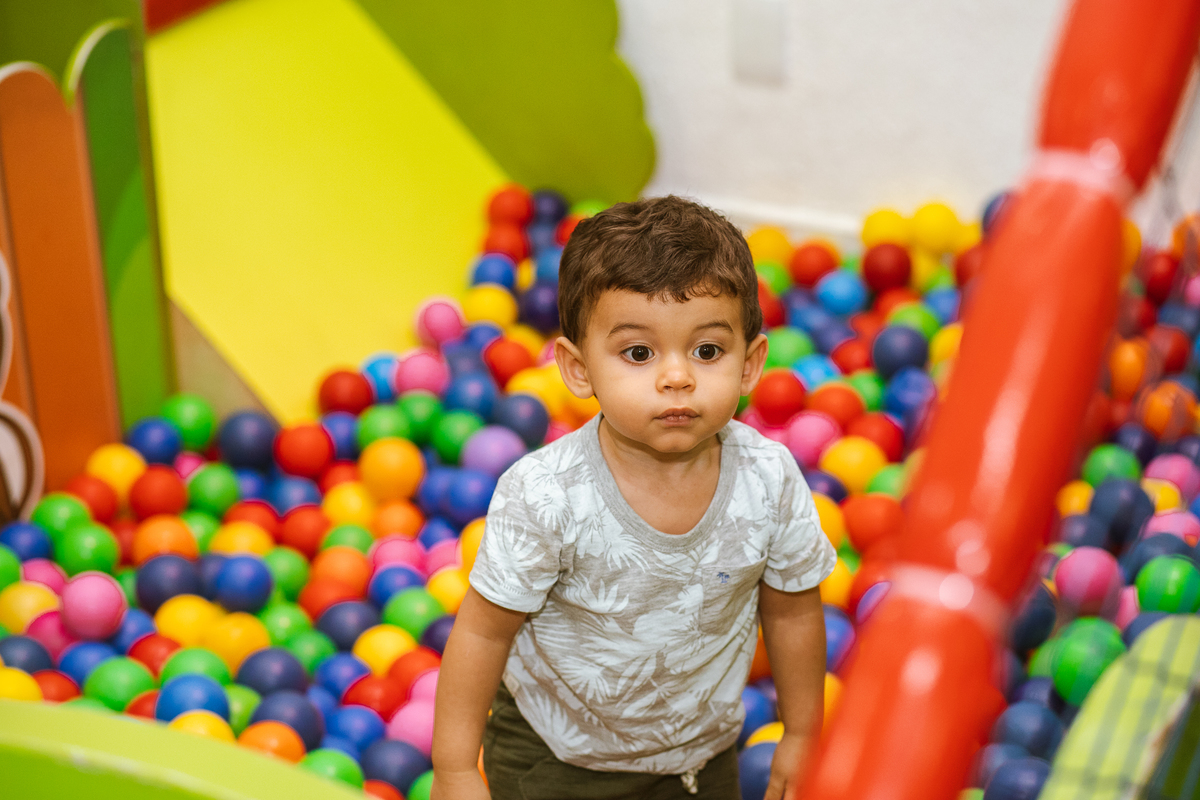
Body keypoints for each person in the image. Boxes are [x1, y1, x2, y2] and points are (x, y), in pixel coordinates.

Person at [431, 195, 837, 800]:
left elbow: (793, 610)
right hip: (557, 757)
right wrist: (456, 768)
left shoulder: (768, 479)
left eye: (707, 351)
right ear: (577, 369)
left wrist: (804, 733)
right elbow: (483, 633)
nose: (677, 377)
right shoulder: (547, 493)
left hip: (701, 757)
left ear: (751, 364)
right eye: (638, 353)